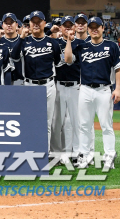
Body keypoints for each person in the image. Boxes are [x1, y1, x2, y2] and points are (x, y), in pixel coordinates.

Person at [64, 17, 120, 171]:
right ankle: (84, 156)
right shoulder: (82, 46)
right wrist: (69, 41)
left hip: (104, 90)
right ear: (88, 29)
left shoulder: (111, 46)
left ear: (103, 28)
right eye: (91, 27)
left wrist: (117, 89)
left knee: (106, 125)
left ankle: (109, 156)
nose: (94, 29)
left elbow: (119, 68)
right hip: (85, 90)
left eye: (96, 26)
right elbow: (67, 60)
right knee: (83, 125)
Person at [10, 10, 63, 149]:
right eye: (33, 22)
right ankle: (30, 151)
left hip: (48, 85)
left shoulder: (53, 43)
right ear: (29, 24)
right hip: (29, 85)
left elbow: (59, 63)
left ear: (44, 23)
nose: (36, 24)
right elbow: (14, 57)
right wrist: (21, 38)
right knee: (29, 121)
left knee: (46, 123)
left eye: (39, 21)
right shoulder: (24, 41)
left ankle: (43, 154)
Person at [53, 16, 84, 163]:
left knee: (76, 122)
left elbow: (69, 60)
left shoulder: (80, 44)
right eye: (64, 26)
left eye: (70, 26)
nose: (67, 28)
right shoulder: (54, 43)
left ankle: (76, 154)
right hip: (58, 85)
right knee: (57, 122)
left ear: (74, 27)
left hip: (74, 86)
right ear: (60, 28)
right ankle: (56, 154)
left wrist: (70, 41)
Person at [0, 13, 24, 86]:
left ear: (16, 25)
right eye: (6, 23)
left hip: (21, 80)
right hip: (3, 81)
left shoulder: (23, 40)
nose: (9, 25)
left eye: (11, 22)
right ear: (2, 26)